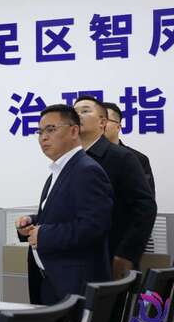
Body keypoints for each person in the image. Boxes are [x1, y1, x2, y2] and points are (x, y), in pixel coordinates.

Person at [15, 104, 113, 305]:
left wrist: (43, 234)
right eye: (40, 132)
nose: (43, 137)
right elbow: (65, 215)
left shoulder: (86, 170)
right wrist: (32, 222)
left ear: (74, 131)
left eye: (51, 129)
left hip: (75, 286)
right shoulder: (60, 169)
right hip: (52, 281)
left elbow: (94, 226)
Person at [74, 96, 156, 279]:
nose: (78, 116)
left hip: (111, 256)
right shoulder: (73, 158)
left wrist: (126, 254)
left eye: (85, 111)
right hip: (79, 258)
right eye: (75, 112)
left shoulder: (126, 158)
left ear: (103, 122)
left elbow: (145, 207)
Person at [102, 101, 156, 194]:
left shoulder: (138, 158)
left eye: (105, 120)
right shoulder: (85, 157)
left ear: (118, 127)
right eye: (97, 121)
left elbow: (146, 198)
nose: (101, 124)